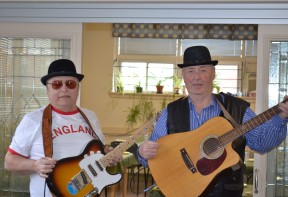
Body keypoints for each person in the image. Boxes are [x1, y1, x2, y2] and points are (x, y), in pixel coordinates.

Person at [138, 46, 288, 197]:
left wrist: (280, 118)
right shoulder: (170, 112)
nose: (197, 77)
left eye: (203, 70)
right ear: (183, 76)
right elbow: (153, 157)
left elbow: (262, 144)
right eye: (191, 71)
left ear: (213, 74)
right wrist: (142, 153)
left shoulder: (237, 109)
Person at [4, 59, 121, 197]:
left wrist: (109, 154)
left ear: (77, 88)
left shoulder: (91, 117)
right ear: (48, 89)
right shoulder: (32, 120)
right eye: (57, 84)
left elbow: (100, 150)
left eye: (70, 84)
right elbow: (9, 162)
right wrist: (35, 165)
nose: (64, 89)